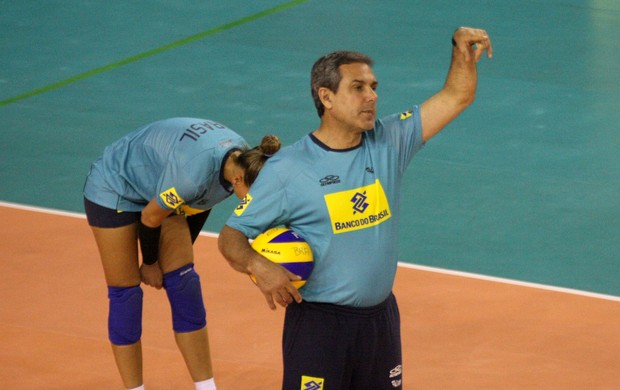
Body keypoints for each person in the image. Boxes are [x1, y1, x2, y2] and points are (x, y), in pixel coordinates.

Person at [218, 27, 493, 389]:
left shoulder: (389, 141)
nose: (371, 97)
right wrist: (257, 264)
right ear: (326, 97)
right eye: (358, 87)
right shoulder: (288, 169)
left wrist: (460, 48)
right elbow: (231, 236)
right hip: (319, 326)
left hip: (380, 322)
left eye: (374, 87)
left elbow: (458, 95)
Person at [83, 117, 281, 390]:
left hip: (161, 182)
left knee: (184, 282)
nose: (253, 201)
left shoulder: (243, 159)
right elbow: (151, 217)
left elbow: (203, 201)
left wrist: (179, 252)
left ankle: (206, 387)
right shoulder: (192, 176)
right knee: (126, 294)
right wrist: (151, 263)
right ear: (238, 179)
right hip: (116, 186)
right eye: (253, 194)